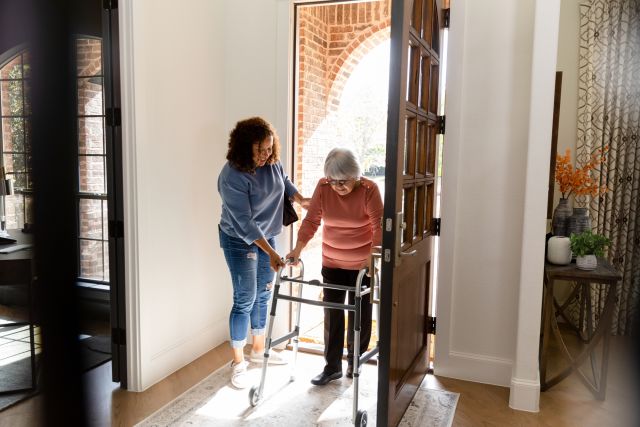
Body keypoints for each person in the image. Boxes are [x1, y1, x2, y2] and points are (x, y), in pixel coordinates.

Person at [218, 117, 309, 389]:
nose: (265, 154)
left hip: (267, 235)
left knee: (265, 291)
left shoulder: (272, 163)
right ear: (244, 147)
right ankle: (238, 362)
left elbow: (284, 180)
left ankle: (258, 350)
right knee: (244, 298)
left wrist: (300, 198)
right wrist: (270, 252)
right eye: (260, 150)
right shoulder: (232, 175)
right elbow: (244, 223)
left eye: (269, 148)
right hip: (238, 239)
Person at [286, 147, 383, 386]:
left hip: (362, 266)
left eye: (343, 181)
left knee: (360, 313)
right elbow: (311, 220)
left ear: (356, 175)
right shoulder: (323, 187)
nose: (338, 187)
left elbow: (379, 225)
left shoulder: (369, 190)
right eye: (333, 181)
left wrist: (373, 258)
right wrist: (297, 249)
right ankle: (332, 367)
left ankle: (355, 362)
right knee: (332, 313)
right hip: (332, 262)